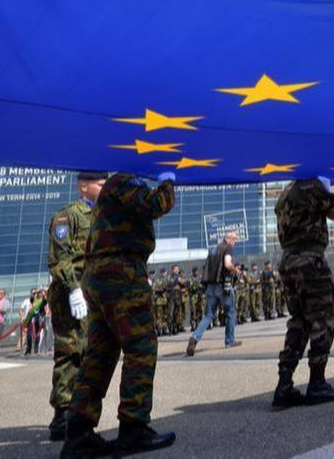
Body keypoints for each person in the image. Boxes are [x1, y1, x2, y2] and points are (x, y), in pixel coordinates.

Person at [62, 172, 177, 458]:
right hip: (120, 273)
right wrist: (169, 181)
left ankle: (78, 433)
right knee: (141, 347)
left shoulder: (114, 186)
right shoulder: (125, 180)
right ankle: (133, 428)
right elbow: (155, 204)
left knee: (100, 355)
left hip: (101, 275)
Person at [271, 176, 334, 409]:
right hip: (310, 260)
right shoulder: (312, 186)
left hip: (289, 262)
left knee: (299, 321)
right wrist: (328, 189)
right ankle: (317, 383)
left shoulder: (285, 192)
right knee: (323, 317)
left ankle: (284, 385)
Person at [46, 171, 106, 441]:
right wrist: (73, 289)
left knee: (90, 353)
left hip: (93, 295)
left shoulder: (103, 215)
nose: (104, 187)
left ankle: (79, 411)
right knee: (71, 352)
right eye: (100, 183)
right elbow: (60, 258)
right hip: (70, 296)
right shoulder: (67, 216)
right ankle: (63, 414)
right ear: (84, 187)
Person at [187, 230, 241, 354]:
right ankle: (229, 341)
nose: (236, 242)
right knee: (230, 313)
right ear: (229, 238)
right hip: (223, 286)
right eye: (235, 239)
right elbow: (227, 264)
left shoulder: (213, 250)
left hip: (210, 287)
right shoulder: (227, 248)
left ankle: (194, 337)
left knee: (208, 315)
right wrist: (235, 270)